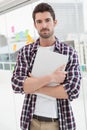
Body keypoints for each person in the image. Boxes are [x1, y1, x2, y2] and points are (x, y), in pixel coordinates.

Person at [11, 2, 82, 130]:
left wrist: (34, 86)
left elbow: (72, 90)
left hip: (59, 123)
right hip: (31, 121)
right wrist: (51, 78)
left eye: (47, 20)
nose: (44, 25)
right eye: (39, 21)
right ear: (35, 25)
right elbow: (17, 84)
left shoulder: (69, 52)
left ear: (55, 22)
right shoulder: (26, 52)